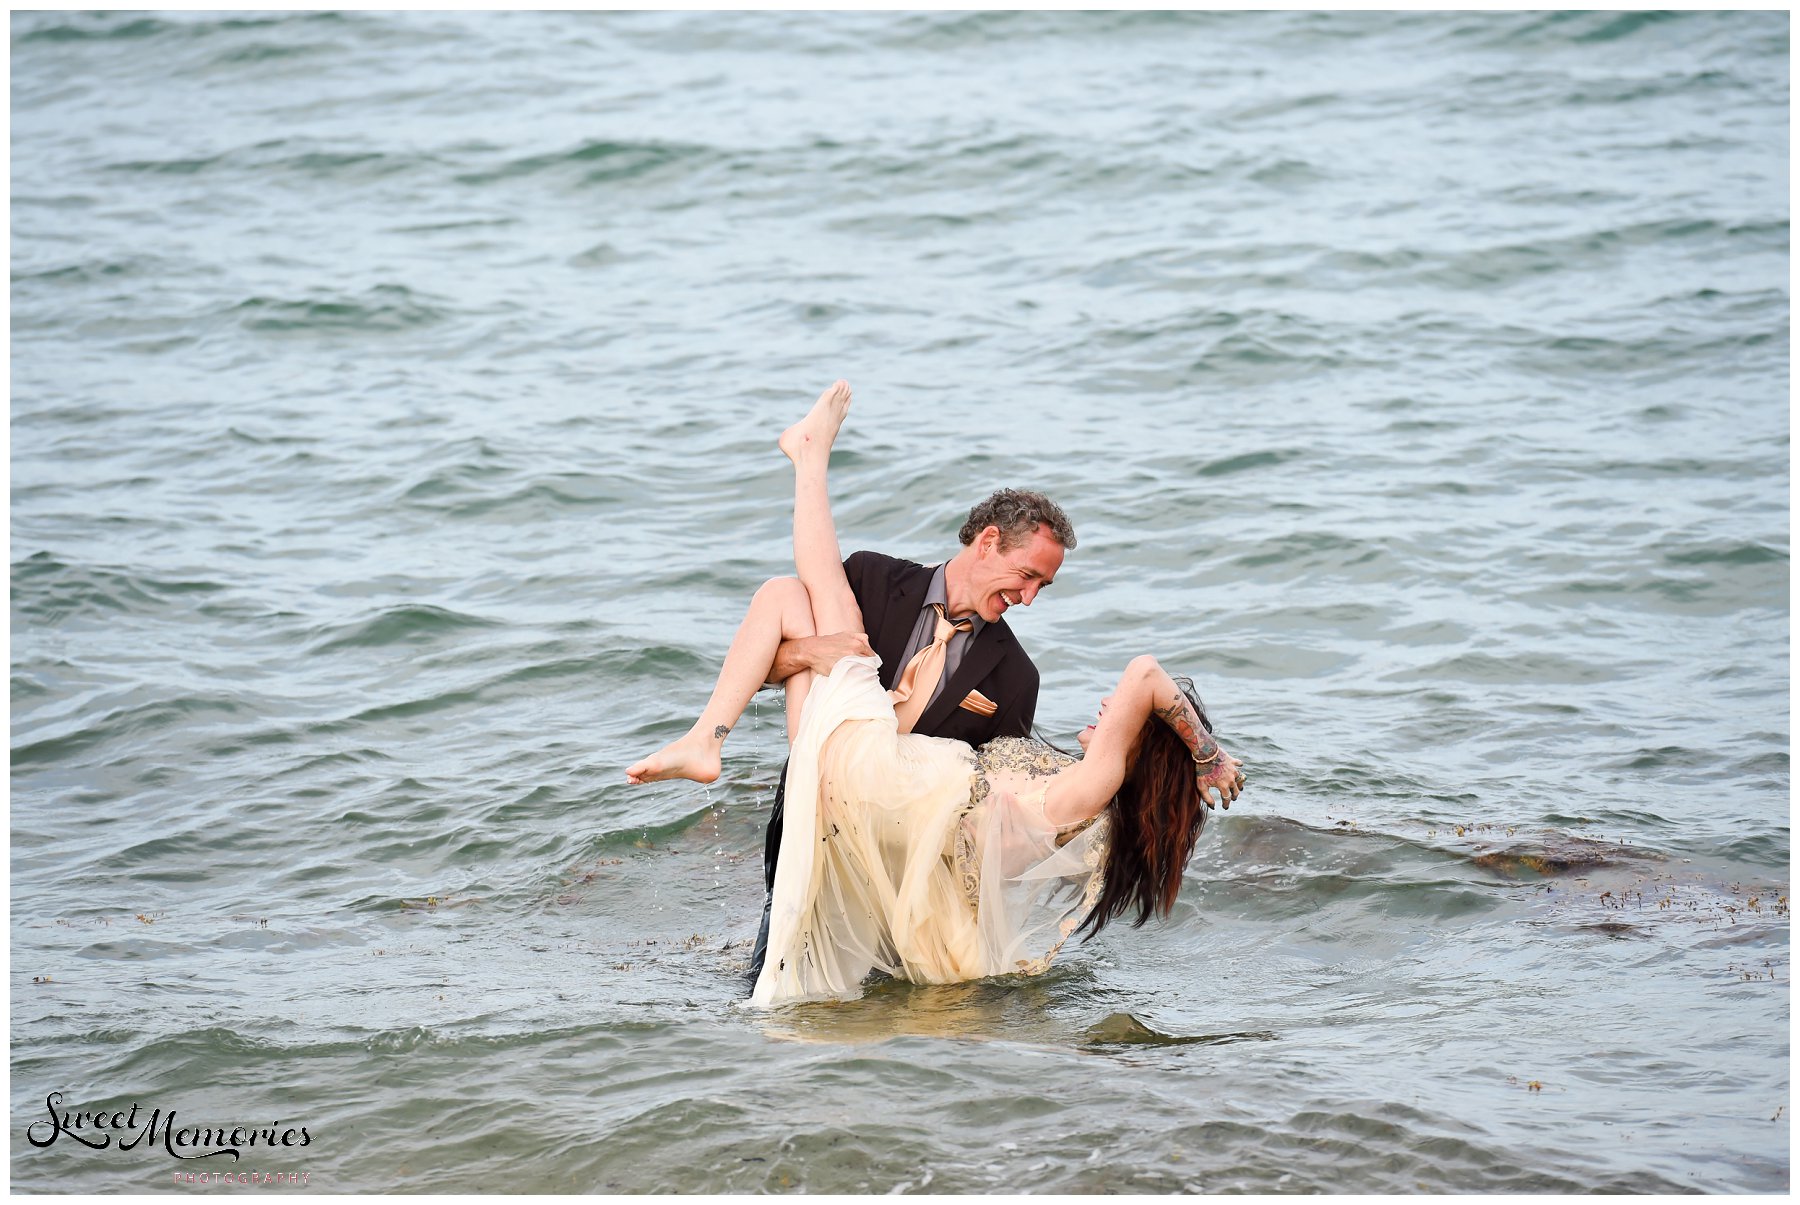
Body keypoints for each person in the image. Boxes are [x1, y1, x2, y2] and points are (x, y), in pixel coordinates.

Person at [626, 382, 1244, 1006]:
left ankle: (810, 460)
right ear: (986, 543)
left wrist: (1203, 753)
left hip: (885, 837)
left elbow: (987, 838)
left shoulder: (1017, 680)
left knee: (790, 596)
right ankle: (710, 736)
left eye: (1043, 588)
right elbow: (764, 665)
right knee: (794, 604)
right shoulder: (874, 578)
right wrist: (815, 654)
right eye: (1028, 576)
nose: (1030, 598)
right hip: (819, 807)